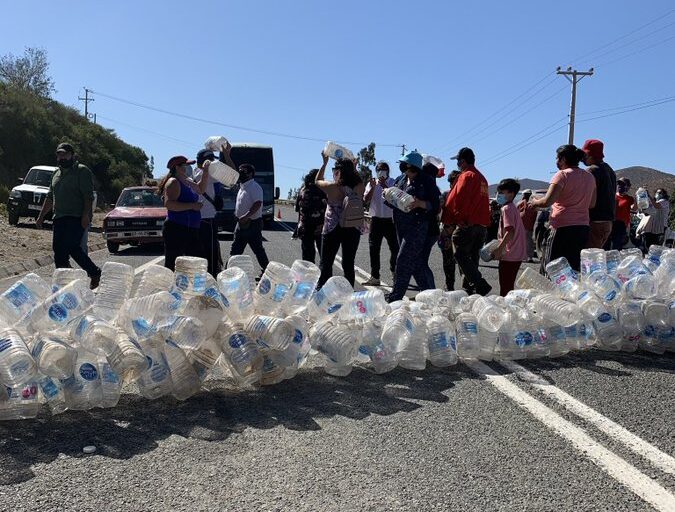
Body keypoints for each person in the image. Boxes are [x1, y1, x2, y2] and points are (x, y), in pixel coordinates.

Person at [36, 143, 102, 289]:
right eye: (59, 154)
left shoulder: (81, 171)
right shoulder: (56, 173)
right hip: (59, 217)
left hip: (76, 217)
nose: (62, 157)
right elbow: (50, 196)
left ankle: (95, 273)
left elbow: (88, 196)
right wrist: (41, 217)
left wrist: (86, 216)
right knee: (58, 250)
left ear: (72, 155)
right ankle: (66, 281)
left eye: (65, 154)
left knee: (72, 246)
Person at [530, 145, 596, 273]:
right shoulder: (589, 177)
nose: (556, 162)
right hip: (582, 228)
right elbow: (592, 204)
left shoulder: (561, 175)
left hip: (561, 227)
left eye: (557, 158)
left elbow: (547, 201)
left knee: (551, 267)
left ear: (563, 159)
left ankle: (548, 292)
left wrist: (534, 202)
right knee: (572, 268)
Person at [385, 151, 439, 302]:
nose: (403, 168)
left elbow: (435, 205)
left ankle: (396, 296)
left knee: (403, 259)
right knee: (415, 263)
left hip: (417, 226)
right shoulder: (400, 180)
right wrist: (387, 195)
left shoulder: (426, 181)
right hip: (400, 225)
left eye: (406, 165)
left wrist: (420, 203)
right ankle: (431, 296)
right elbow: (393, 199)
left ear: (412, 166)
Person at [441, 147, 492, 296]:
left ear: (462, 161)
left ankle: (479, 283)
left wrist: (456, 220)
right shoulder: (482, 178)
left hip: (467, 223)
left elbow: (460, 200)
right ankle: (470, 289)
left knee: (461, 254)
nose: (457, 164)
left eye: (458, 161)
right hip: (481, 225)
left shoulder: (466, 176)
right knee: (473, 257)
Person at [315, 153, 365, 288]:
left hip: (333, 228)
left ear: (338, 171)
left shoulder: (332, 187)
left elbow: (317, 180)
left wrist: (324, 163)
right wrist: (354, 168)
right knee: (348, 263)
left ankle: (323, 290)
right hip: (352, 227)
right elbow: (359, 180)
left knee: (326, 262)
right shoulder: (359, 187)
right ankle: (348, 291)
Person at [157, 155, 203, 271]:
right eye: (185, 165)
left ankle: (187, 287)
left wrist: (206, 172)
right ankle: (171, 287)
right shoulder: (173, 182)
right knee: (173, 264)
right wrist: (192, 206)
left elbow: (200, 189)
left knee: (193, 262)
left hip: (190, 228)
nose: (188, 168)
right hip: (177, 228)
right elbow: (169, 204)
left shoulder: (187, 181)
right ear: (177, 167)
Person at [194, 144, 234, 277]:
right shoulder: (207, 173)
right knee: (210, 253)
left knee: (200, 252)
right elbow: (233, 176)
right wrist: (227, 155)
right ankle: (210, 279)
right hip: (207, 220)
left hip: (199, 218)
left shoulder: (196, 172)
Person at [362, 162, 398, 286]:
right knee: (374, 248)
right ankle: (375, 276)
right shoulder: (371, 183)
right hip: (376, 220)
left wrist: (384, 185)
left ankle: (395, 272)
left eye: (383, 169)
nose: (381, 172)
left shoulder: (394, 182)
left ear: (388, 171)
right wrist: (372, 187)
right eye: (378, 170)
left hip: (391, 221)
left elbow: (395, 199)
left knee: (395, 248)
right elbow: (365, 200)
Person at [230, 163, 270, 274]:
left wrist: (246, 216)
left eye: (243, 171)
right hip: (241, 223)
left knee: (258, 250)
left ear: (251, 174)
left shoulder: (254, 187)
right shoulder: (242, 186)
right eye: (240, 171)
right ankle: (229, 272)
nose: (240, 173)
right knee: (235, 249)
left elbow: (257, 204)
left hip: (252, 224)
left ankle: (267, 272)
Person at [491, 179, 527, 296]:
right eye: (498, 192)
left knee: (505, 288)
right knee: (508, 286)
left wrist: (499, 249)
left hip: (510, 254)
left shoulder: (506, 209)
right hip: (516, 253)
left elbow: (510, 232)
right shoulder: (512, 207)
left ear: (511, 194)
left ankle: (506, 310)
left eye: (502, 192)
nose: (498, 195)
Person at [413, 160, 442, 290]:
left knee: (420, 262)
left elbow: (435, 208)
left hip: (428, 231)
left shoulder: (429, 188)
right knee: (419, 262)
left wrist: (420, 204)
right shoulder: (433, 187)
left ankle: (430, 290)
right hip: (431, 231)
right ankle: (426, 290)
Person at [582, 139, 616, 249]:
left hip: (595, 220)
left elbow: (587, 196)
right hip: (607, 221)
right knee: (597, 255)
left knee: (589, 257)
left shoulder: (592, 171)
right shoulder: (609, 169)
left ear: (589, 154)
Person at [296, 168, 326, 263]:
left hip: (305, 226)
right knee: (324, 254)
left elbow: (297, 208)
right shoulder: (324, 190)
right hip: (320, 226)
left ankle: (308, 275)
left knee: (307, 254)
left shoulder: (303, 189)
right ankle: (324, 275)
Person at [439, 171, 460, 290]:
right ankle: (449, 286)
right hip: (446, 232)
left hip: (460, 231)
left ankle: (467, 286)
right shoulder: (445, 195)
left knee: (461, 260)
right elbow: (438, 208)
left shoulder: (463, 195)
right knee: (448, 262)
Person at [636, 188, 670, 252]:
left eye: (660, 193)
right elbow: (647, 212)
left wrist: (649, 196)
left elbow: (657, 206)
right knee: (648, 246)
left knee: (656, 246)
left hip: (661, 227)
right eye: (657, 193)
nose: (659, 194)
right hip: (651, 228)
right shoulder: (652, 203)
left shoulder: (665, 202)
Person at [605, 177, 634, 250]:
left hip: (622, 225)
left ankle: (616, 259)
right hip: (610, 223)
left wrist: (637, 200)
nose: (620, 186)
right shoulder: (612, 196)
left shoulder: (629, 198)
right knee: (606, 244)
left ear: (628, 186)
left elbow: (634, 209)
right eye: (619, 184)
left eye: (623, 184)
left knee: (617, 246)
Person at [517, 189, 537, 261]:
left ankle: (527, 256)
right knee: (526, 241)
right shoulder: (529, 203)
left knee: (526, 241)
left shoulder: (529, 204)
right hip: (526, 226)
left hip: (526, 226)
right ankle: (526, 256)